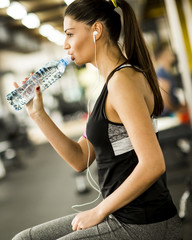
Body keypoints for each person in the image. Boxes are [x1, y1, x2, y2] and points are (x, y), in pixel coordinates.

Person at [12, 0, 182, 239]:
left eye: (70, 33)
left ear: (96, 30)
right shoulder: (110, 84)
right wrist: (38, 115)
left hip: (143, 223)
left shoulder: (122, 82)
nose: (65, 44)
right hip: (121, 216)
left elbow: (153, 164)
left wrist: (99, 210)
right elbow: (80, 159)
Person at [154, 42, 187, 117]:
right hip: (169, 115)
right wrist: (178, 110)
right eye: (168, 51)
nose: (171, 53)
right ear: (163, 56)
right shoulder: (161, 74)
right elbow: (166, 103)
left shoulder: (168, 73)